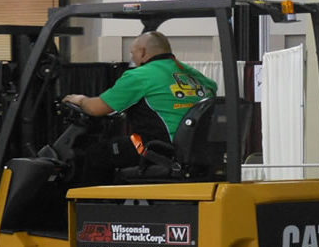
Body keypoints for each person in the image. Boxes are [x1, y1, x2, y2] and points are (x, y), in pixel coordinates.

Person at [62, 31, 217, 185]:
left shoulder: (140, 76)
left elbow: (95, 108)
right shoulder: (192, 75)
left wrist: (80, 100)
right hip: (197, 152)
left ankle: (92, 207)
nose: (132, 59)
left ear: (143, 52)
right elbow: (212, 88)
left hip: (158, 150)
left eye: (133, 53)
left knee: (95, 155)